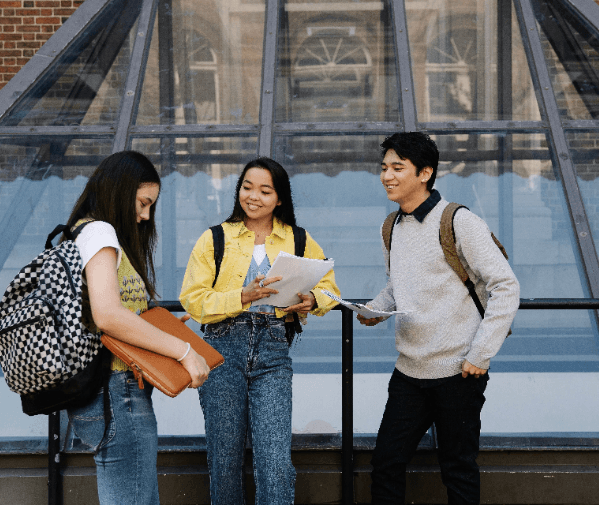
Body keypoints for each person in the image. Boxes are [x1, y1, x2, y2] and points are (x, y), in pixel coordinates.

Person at [359, 132, 519, 505]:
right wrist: (374, 310)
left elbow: (506, 286)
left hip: (458, 372)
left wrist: (480, 354)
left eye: (398, 168)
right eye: (384, 168)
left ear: (425, 172)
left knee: (458, 470)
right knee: (385, 464)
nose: (387, 176)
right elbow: (396, 286)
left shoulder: (458, 221)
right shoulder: (390, 227)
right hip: (408, 372)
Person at [179, 156, 339, 505]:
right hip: (222, 347)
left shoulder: (297, 238)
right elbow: (192, 299)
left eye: (265, 191)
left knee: (276, 461)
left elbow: (330, 288)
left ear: (279, 198)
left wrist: (313, 300)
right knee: (224, 460)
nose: (253, 196)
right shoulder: (215, 238)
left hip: (273, 348)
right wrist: (241, 296)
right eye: (247, 187)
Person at [65, 150, 210, 505]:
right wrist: (184, 350)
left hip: (110, 390)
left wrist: (158, 332)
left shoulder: (84, 233)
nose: (145, 216)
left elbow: (107, 314)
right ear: (119, 190)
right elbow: (108, 317)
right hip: (117, 389)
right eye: (143, 203)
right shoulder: (99, 232)